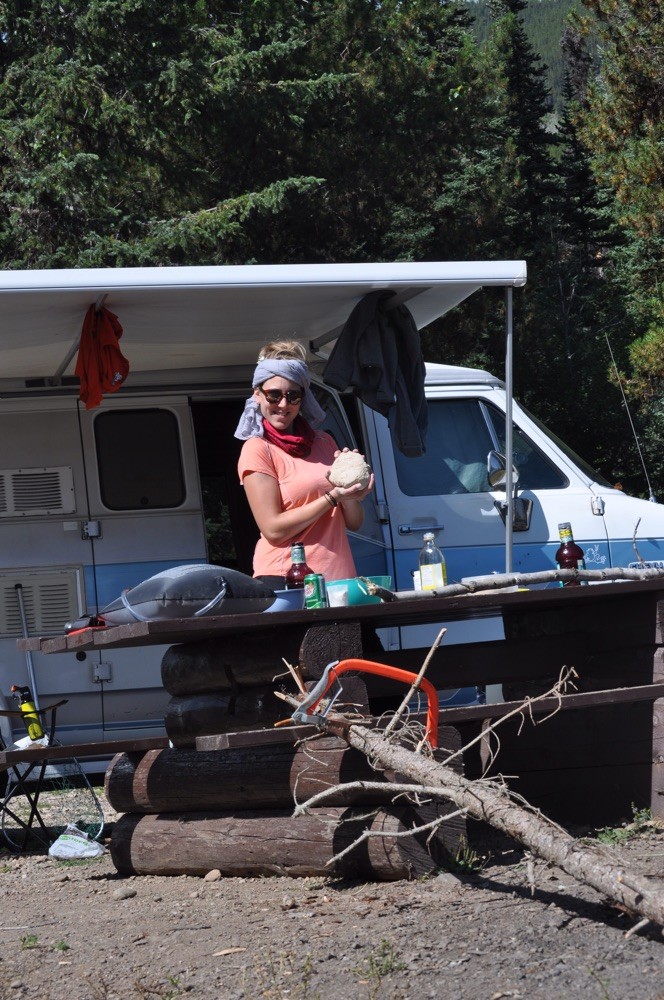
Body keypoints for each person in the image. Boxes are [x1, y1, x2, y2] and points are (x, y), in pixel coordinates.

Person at [235, 340, 374, 587]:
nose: (283, 405)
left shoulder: (324, 442)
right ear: (257, 394)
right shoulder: (257, 449)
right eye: (274, 395)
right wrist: (332, 497)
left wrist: (351, 493)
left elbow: (354, 523)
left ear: (303, 398)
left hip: (338, 578)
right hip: (288, 578)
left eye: (293, 396)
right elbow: (273, 530)